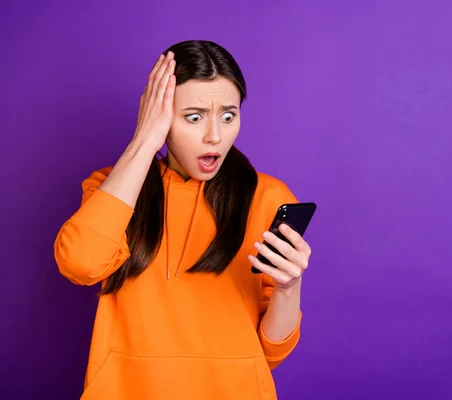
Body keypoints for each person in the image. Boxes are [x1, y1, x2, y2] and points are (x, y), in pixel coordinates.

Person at [54, 40, 312, 400]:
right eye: (193, 117)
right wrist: (144, 140)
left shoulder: (268, 197)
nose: (214, 136)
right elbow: (80, 264)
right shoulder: (109, 189)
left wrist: (289, 287)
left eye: (228, 115)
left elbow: (273, 351)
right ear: (158, 116)